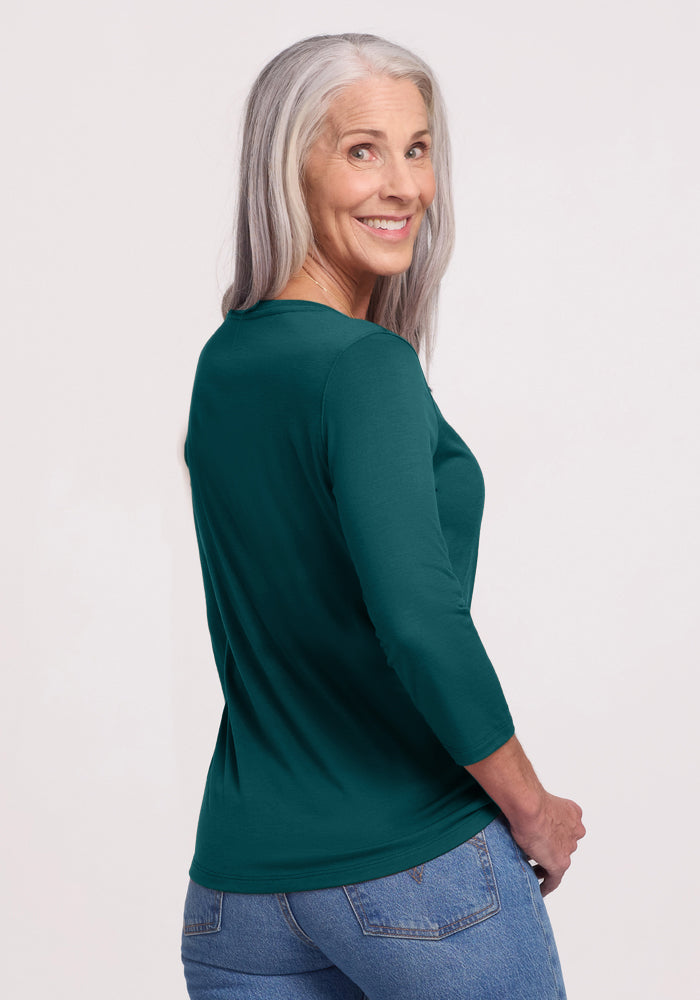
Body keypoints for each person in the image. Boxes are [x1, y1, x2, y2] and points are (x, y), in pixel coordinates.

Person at [180, 32, 585, 1000]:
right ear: (289, 167)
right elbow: (417, 617)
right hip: (416, 871)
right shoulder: (364, 366)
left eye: (417, 147)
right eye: (361, 149)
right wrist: (531, 807)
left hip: (237, 895)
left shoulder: (226, 360)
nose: (400, 183)